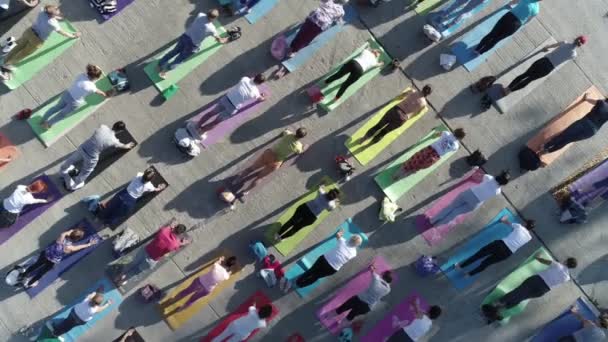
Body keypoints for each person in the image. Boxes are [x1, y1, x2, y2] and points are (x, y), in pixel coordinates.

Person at [0, 4, 80, 81]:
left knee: (17, 47)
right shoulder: (53, 24)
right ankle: (8, 64)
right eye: (57, 9)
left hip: (29, 32)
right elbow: (63, 32)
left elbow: (48, 14)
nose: (58, 9)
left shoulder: (42, 12)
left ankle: (5, 60)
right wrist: (73, 36)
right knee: (24, 53)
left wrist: (55, 16)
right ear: (52, 15)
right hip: (37, 40)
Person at [483, 254, 577, 317]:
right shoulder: (567, 278)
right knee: (521, 297)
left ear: (566, 261)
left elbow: (544, 261)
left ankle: (495, 304)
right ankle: (500, 310)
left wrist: (538, 257)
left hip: (536, 280)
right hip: (544, 290)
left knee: (517, 292)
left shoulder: (558, 265)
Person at [187, 74, 267, 140]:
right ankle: (201, 131)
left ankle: (197, 125)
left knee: (210, 113)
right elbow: (260, 99)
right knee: (216, 122)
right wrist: (263, 97)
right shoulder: (255, 92)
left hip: (226, 99)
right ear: (260, 83)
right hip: (233, 107)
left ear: (255, 76)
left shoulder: (245, 79)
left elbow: (247, 80)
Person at [60, 122, 135, 191]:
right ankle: (73, 185)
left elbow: (101, 130)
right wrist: (127, 146)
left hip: (83, 148)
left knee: (72, 159)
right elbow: (121, 146)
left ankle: (63, 170)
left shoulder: (103, 127)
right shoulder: (114, 140)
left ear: (114, 125)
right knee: (86, 171)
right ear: (120, 131)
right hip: (91, 157)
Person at [114, 219, 190, 286]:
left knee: (132, 263)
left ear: (175, 227)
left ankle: (119, 276)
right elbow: (179, 245)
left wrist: (171, 226)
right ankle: (122, 281)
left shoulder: (164, 231)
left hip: (145, 251)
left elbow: (165, 228)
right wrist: (183, 242)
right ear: (180, 234)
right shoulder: (175, 244)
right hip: (151, 260)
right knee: (136, 271)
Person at [454, 215, 535, 277]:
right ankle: (469, 274)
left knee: (479, 255)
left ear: (525, 223)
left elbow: (504, 221)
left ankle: (460, 266)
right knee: (486, 263)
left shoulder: (519, 227)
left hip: (501, 244)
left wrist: (504, 218)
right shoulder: (529, 238)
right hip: (508, 253)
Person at [156, 9, 228, 79]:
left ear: (207, 13)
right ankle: (163, 72)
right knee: (179, 59)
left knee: (174, 51)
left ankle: (161, 63)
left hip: (185, 37)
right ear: (214, 18)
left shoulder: (200, 15)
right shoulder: (212, 29)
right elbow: (219, 39)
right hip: (192, 45)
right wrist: (224, 41)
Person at [282, 230, 363, 291]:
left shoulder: (343, 241)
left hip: (325, 260)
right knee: (315, 276)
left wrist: (341, 232)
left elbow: (338, 235)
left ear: (351, 238)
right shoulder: (354, 253)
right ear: (357, 245)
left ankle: (297, 282)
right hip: (333, 269)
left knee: (311, 271)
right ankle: (300, 285)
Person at [503, 36, 587, 95]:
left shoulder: (564, 43)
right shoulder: (574, 55)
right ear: (580, 45)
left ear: (576, 38)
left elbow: (551, 46)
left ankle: (507, 88)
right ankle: (510, 91)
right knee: (530, 79)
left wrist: (546, 48)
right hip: (549, 68)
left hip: (544, 61)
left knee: (525, 74)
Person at [20, 228, 100, 288]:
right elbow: (79, 247)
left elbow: (64, 233)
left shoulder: (62, 237)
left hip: (46, 254)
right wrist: (89, 244)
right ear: (77, 239)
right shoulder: (70, 248)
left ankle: (23, 275)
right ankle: (30, 283)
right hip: (52, 261)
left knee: (36, 265)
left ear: (71, 233)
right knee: (41, 273)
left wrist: (69, 232)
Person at [236, 128, 307, 195]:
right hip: (275, 162)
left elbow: (284, 131)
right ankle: (246, 191)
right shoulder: (298, 146)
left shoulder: (288, 134)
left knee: (251, 169)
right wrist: (304, 147)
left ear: (296, 131)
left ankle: (237, 180)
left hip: (269, 154)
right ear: (301, 137)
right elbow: (299, 152)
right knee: (260, 177)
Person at [430, 171, 510, 227]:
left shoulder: (489, 177)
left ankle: (433, 220)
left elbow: (479, 177)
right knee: (455, 213)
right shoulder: (498, 191)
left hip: (469, 193)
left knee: (451, 206)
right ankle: (438, 224)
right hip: (475, 203)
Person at [40, 64, 108, 130]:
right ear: (96, 78)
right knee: (62, 114)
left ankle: (43, 119)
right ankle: (47, 124)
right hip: (74, 102)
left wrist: (96, 67)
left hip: (67, 94)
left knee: (56, 108)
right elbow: (97, 91)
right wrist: (103, 93)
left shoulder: (81, 75)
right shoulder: (92, 87)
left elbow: (89, 72)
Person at [323, 264, 392, 329]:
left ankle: (329, 316)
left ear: (383, 276)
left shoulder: (376, 279)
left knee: (343, 307)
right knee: (351, 315)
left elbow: (372, 269)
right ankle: (340, 325)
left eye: (382, 273)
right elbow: (385, 283)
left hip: (358, 299)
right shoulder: (388, 290)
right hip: (367, 307)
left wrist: (372, 267)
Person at [539, 94, 608, 156]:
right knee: (568, 140)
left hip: (585, 123)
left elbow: (590, 100)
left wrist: (587, 98)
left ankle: (545, 146)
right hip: (592, 132)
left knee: (563, 135)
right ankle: (548, 151)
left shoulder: (602, 103)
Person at [163, 256, 237, 313]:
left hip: (199, 282)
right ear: (231, 266)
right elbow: (228, 275)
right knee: (193, 299)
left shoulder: (217, 266)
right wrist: (229, 272)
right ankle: (181, 309)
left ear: (226, 260)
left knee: (186, 291)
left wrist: (220, 259)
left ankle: (173, 300)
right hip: (207, 289)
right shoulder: (226, 276)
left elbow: (216, 262)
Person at [361, 86, 432, 145]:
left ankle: (363, 139)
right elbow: (416, 114)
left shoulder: (412, 91)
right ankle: (368, 145)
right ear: (428, 94)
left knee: (378, 125)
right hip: (402, 118)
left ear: (423, 88)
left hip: (395, 110)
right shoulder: (424, 104)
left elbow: (401, 96)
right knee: (384, 132)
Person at [95, 168, 166, 226]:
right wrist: (160, 187)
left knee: (111, 206)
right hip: (130, 201)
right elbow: (155, 189)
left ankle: (100, 216)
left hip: (123, 194)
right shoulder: (149, 186)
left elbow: (143, 174)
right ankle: (107, 223)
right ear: (150, 180)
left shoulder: (139, 174)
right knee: (118, 214)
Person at [392, 128, 465, 181]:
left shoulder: (446, 133)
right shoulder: (456, 146)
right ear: (460, 138)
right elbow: (454, 149)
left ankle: (398, 173)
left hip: (429, 149)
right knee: (421, 165)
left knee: (415, 159)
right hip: (436, 157)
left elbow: (437, 134)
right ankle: (409, 172)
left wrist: (436, 133)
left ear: (455, 131)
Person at [274, 185, 340, 242]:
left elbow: (320, 187)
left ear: (329, 191)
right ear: (334, 198)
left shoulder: (322, 193)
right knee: (296, 228)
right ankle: (281, 238)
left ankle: (278, 234)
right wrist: (335, 201)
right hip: (312, 216)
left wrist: (323, 185)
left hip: (306, 208)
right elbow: (330, 209)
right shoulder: (331, 205)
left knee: (292, 221)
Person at [474, 0, 541, 55]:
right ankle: (480, 52)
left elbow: (515, 1)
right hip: (517, 24)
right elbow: (528, 20)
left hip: (509, 16)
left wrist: (509, 4)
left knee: (492, 33)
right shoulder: (537, 10)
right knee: (497, 39)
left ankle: (477, 48)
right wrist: (521, 24)